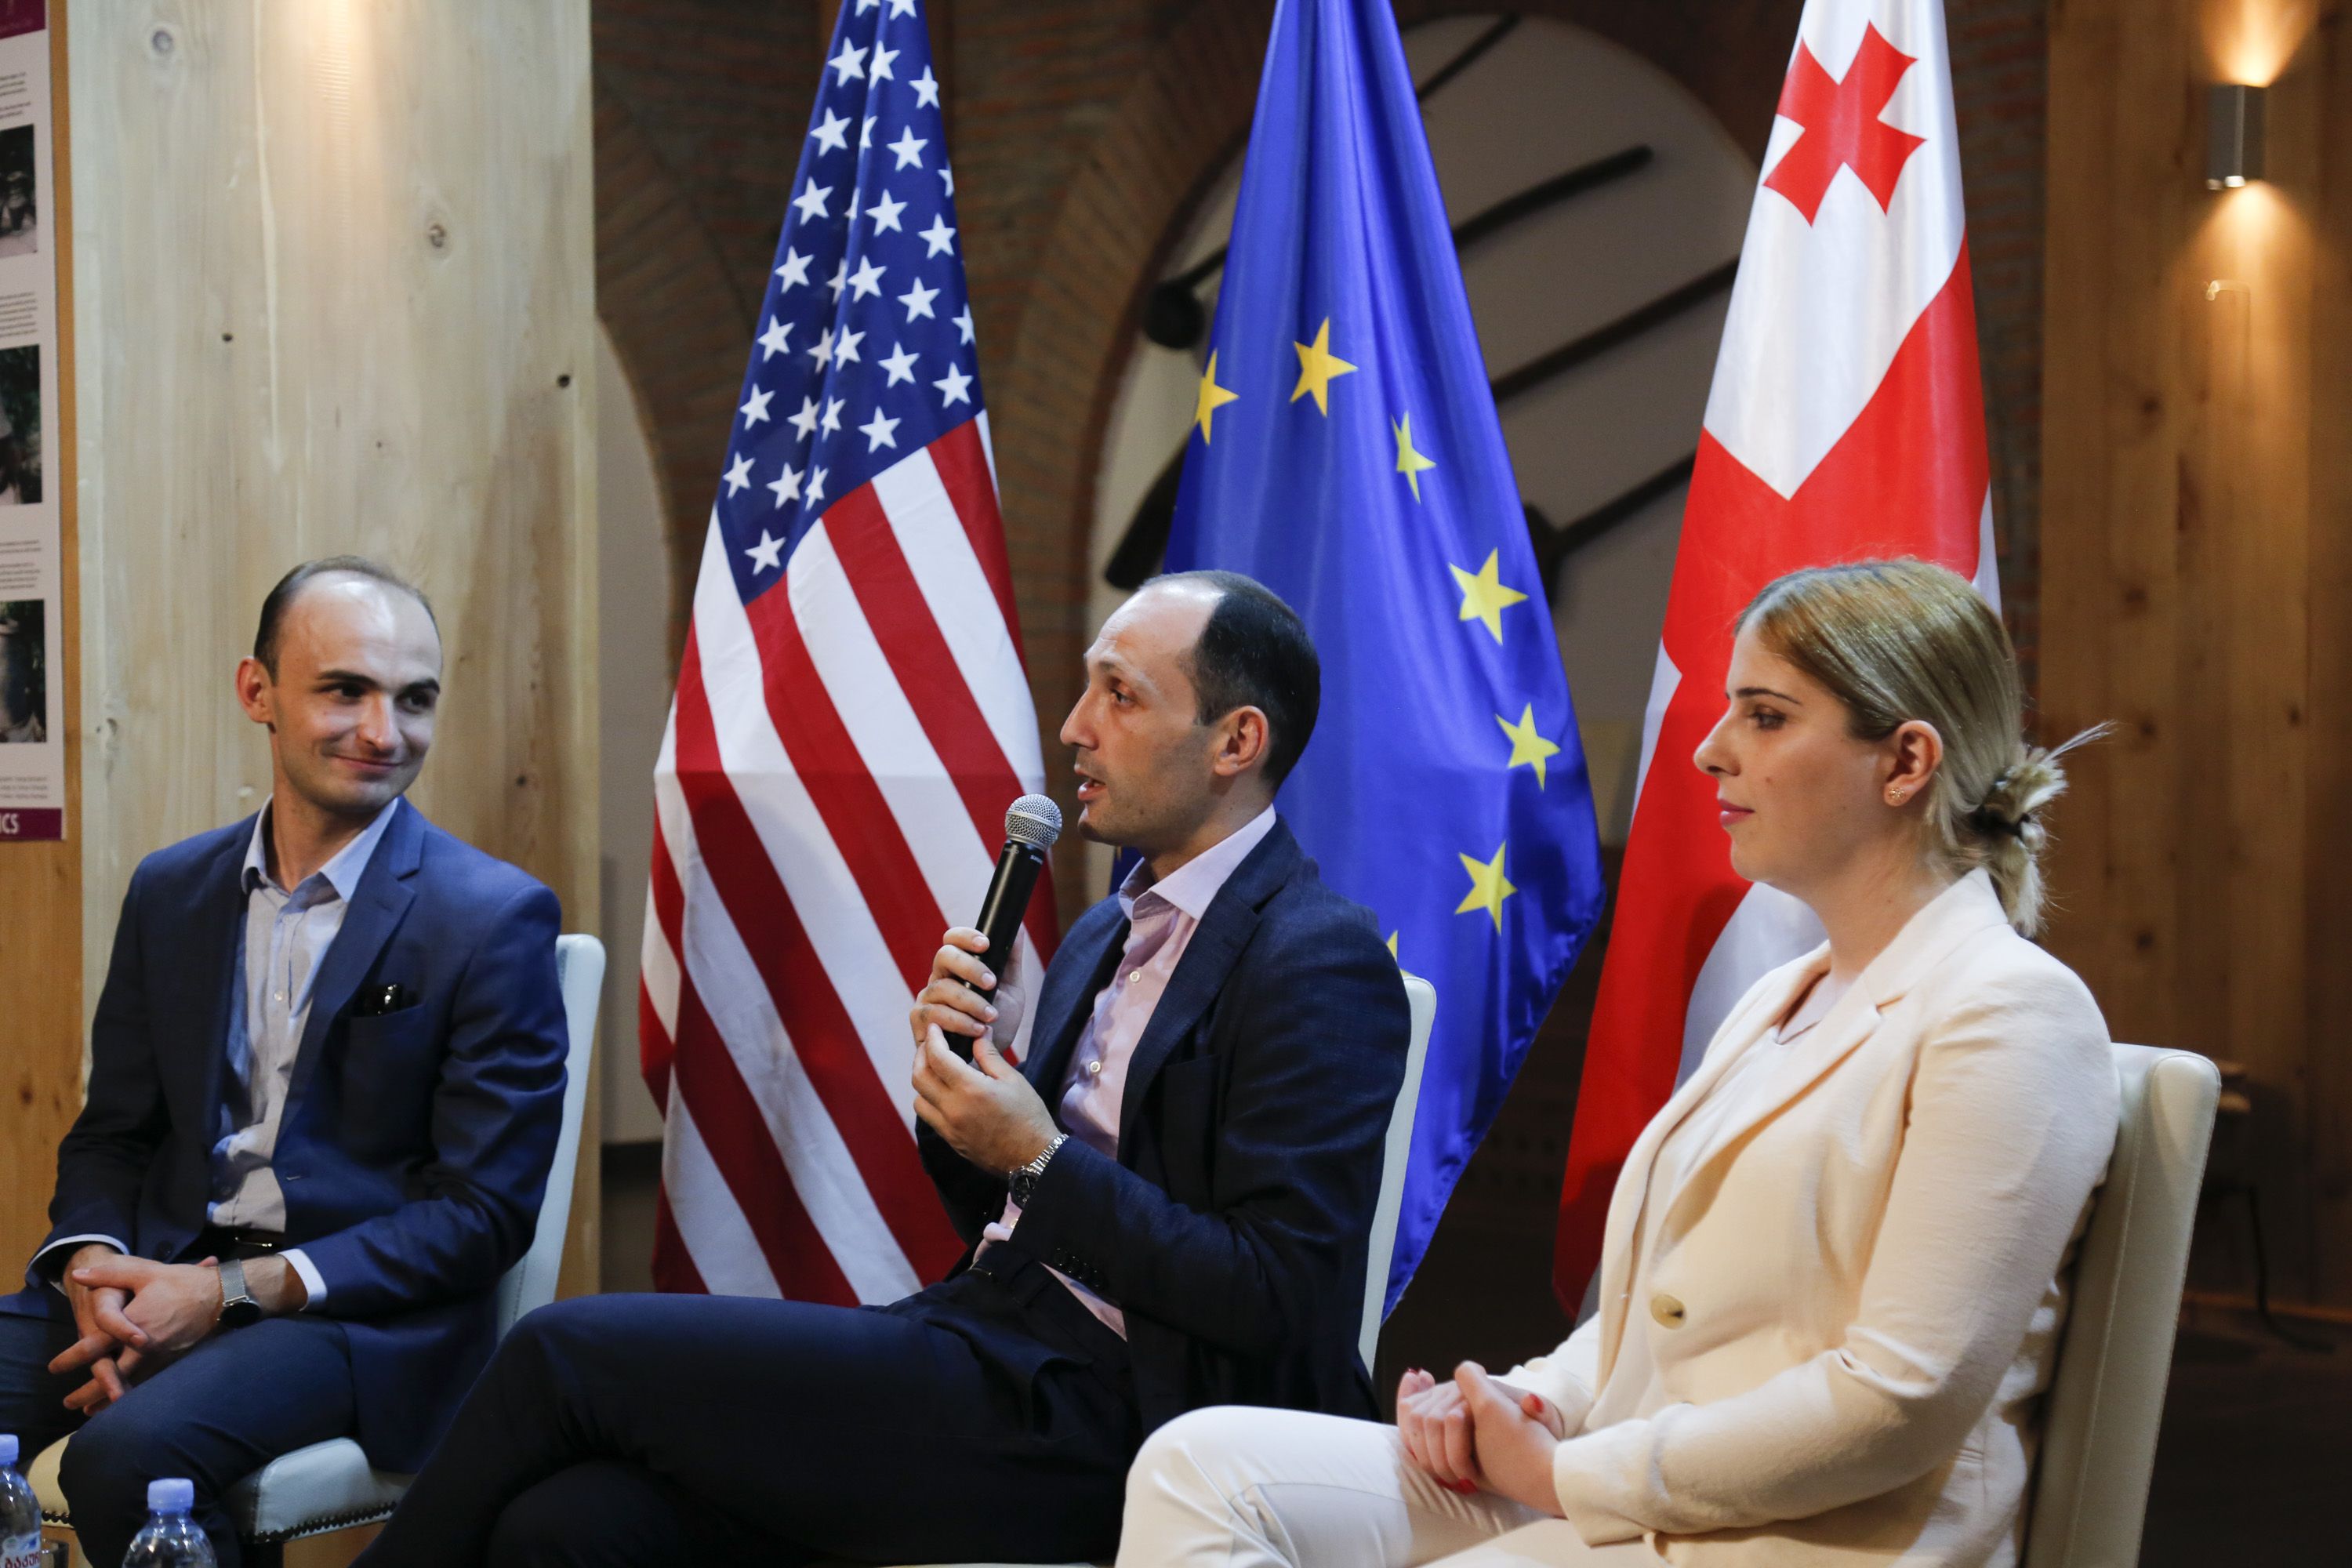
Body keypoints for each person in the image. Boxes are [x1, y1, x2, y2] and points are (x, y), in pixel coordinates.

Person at [352, 569, 1412, 1568]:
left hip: (1122, 1409)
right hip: (986, 1333)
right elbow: (1001, 1210)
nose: (1075, 726)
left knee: (563, 1350)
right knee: (567, 1527)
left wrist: (1034, 1155)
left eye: (1121, 695)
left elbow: (1279, 1293)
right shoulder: (1105, 931)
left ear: (1236, 740)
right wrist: (963, 1092)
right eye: (1088, 687)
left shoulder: (1315, 955)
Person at [1120, 558, 2122, 1568]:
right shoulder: (1784, 995)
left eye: (1766, 716)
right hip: (1649, 1496)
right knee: (1199, 1464)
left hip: (1814, 1539)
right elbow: (1652, 1318)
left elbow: (1901, 1400)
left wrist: (1567, 1476)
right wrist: (1530, 1402)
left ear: (1905, 761)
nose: (1711, 751)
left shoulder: (2010, 1014)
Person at [0, 557, 571, 1568]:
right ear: (257, 691)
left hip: (356, 1319)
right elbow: (114, 1135)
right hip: (158, 1276)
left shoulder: (493, 917)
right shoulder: (172, 890)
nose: (385, 732)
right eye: (346, 690)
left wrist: (229, 1294)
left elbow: (481, 1214)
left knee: (126, 1458)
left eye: (415, 699)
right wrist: (93, 1270)